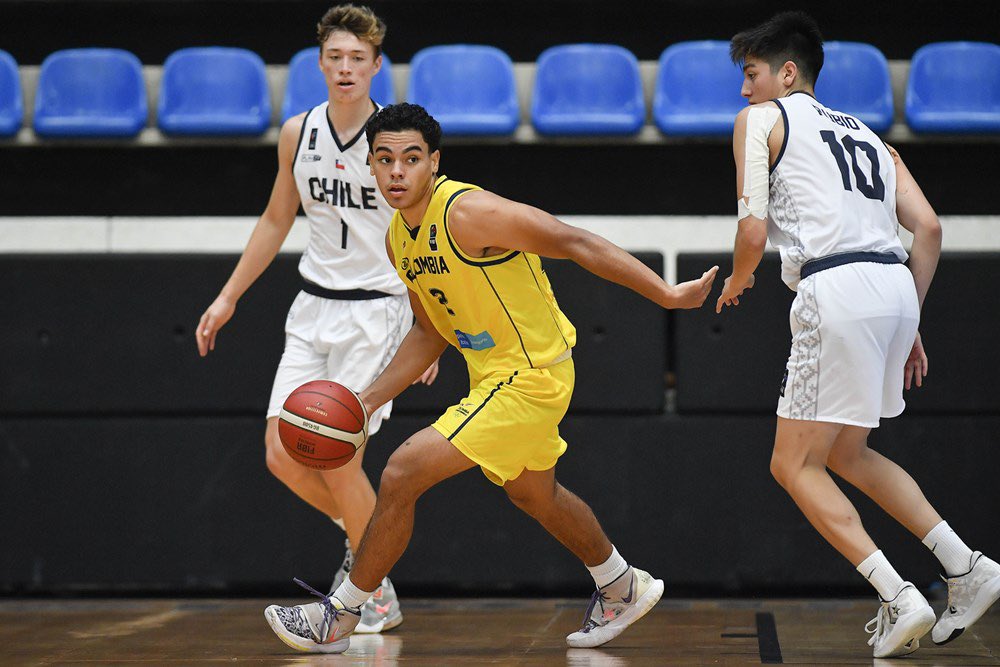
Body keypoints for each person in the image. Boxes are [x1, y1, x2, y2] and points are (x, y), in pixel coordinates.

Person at [262, 102, 720, 653]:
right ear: (371, 167)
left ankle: (341, 615)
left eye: (410, 158)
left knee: (403, 470)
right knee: (536, 495)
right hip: (494, 378)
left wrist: (666, 294)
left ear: (434, 162)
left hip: (532, 375)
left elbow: (573, 241)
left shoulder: (468, 212)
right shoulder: (398, 240)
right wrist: (363, 399)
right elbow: (431, 335)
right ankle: (621, 584)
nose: (397, 172)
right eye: (384, 160)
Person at [718, 11, 1000, 659]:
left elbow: (753, 231)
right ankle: (969, 567)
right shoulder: (872, 136)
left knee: (791, 462)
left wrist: (738, 279)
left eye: (752, 74)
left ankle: (899, 594)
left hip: (836, 287)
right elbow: (927, 229)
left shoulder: (762, 119)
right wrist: (912, 321)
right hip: (895, 288)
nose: (744, 91)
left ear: (787, 73)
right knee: (845, 454)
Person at [195, 4, 437, 634]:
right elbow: (279, 217)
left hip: (378, 312)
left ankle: (370, 592)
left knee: (337, 460)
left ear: (377, 65)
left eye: (359, 57)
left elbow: (424, 230)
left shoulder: (394, 138)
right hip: (313, 307)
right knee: (281, 454)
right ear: (320, 63)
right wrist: (229, 296)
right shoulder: (296, 132)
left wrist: (430, 328)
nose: (347, 67)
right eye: (336, 56)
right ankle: (367, 540)